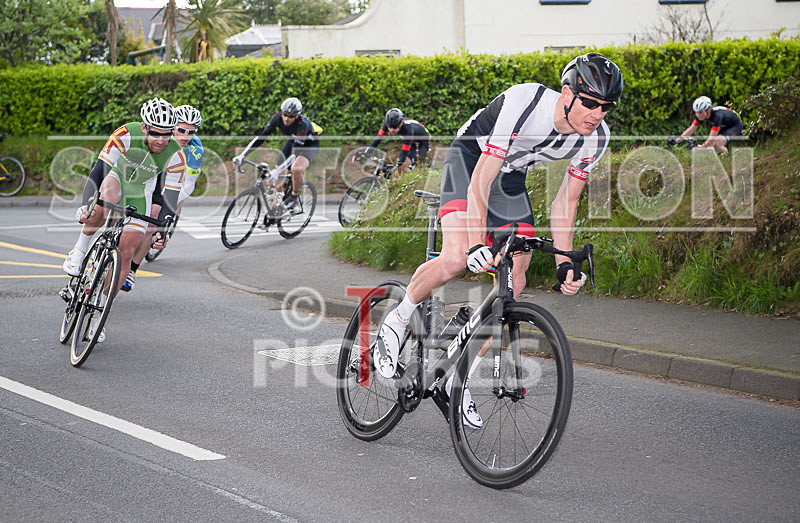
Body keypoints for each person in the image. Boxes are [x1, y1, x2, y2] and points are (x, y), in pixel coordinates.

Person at [372, 53, 623, 428]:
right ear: (567, 93)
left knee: (513, 281)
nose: (597, 114)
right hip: (470, 160)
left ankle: (458, 378)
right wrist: (476, 243)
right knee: (457, 257)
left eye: (606, 107)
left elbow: (565, 202)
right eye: (589, 103)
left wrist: (564, 263)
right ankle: (397, 318)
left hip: (511, 178)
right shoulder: (525, 103)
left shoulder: (596, 139)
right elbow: (480, 181)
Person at [62, 97, 186, 341]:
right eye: (156, 133)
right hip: (117, 178)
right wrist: (87, 204)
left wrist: (162, 231)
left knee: (127, 251)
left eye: (167, 135)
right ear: (144, 127)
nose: (161, 140)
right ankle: (79, 250)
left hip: (141, 192)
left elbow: (170, 200)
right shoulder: (126, 134)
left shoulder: (176, 156)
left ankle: (99, 312)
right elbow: (99, 172)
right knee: (104, 199)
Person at [122, 104, 203, 292]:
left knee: (154, 221)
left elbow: (188, 186)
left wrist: (169, 204)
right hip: (152, 174)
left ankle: (132, 269)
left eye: (191, 132)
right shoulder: (160, 137)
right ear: (172, 126)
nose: (185, 136)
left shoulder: (195, 150)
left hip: (176, 184)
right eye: (181, 130)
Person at [232, 97, 320, 213]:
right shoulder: (277, 118)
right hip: (293, 141)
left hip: (309, 146)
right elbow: (261, 137)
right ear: (281, 113)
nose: (287, 119)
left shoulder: (303, 125)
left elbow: (294, 156)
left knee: (296, 168)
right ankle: (277, 205)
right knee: (279, 169)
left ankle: (294, 197)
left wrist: (277, 171)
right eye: (285, 115)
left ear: (297, 116)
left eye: (291, 117)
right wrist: (242, 155)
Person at [361, 108, 430, 178]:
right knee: (392, 172)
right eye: (390, 127)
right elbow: (377, 140)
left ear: (401, 123)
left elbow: (404, 152)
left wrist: (395, 168)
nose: (392, 130)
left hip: (422, 144)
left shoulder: (408, 130)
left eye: (395, 127)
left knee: (401, 167)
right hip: (412, 141)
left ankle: (412, 183)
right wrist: (365, 153)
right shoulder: (387, 124)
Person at [670, 96, 743, 153]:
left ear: (708, 110)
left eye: (700, 112)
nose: (698, 115)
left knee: (716, 143)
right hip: (724, 126)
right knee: (711, 147)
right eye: (696, 112)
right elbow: (692, 128)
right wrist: (677, 141)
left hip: (735, 126)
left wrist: (701, 148)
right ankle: (721, 159)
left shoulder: (717, 116)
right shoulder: (701, 114)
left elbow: (711, 138)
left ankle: (727, 157)